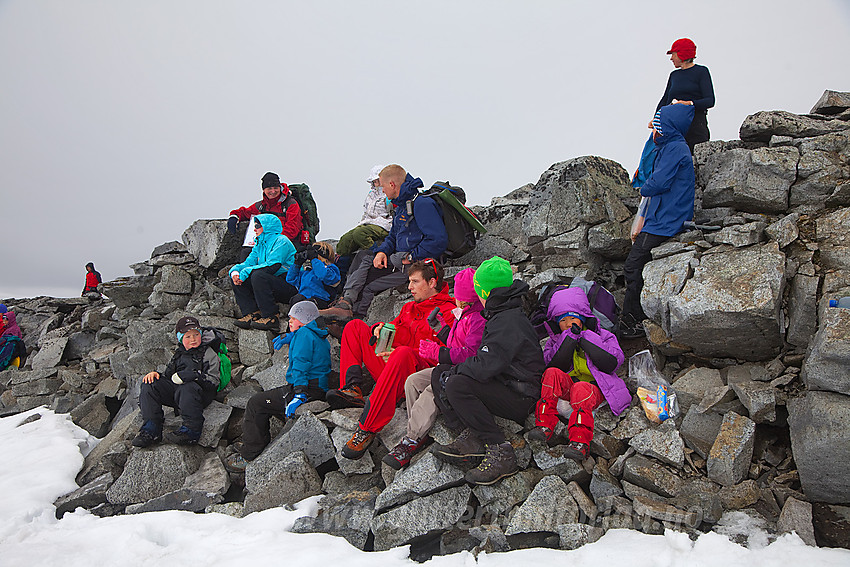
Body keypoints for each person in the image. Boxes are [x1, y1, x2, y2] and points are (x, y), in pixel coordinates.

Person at [430, 256, 544, 485]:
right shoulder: (503, 312)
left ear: (485, 292)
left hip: (522, 396)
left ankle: (500, 451)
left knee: (455, 383)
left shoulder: (507, 321)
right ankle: (471, 437)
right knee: (441, 372)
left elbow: (484, 366)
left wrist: (456, 372)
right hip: (509, 384)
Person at [327, 259, 456, 459]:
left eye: (415, 282)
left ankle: (367, 428)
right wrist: (378, 328)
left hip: (415, 379)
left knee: (403, 353)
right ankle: (352, 388)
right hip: (392, 368)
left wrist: (402, 352)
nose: (410, 287)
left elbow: (447, 355)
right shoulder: (410, 309)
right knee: (355, 326)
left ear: (432, 283)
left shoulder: (447, 312)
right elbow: (393, 328)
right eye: (409, 282)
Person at [382, 267, 486, 470]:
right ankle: (418, 433)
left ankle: (411, 439)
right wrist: (441, 330)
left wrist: (438, 353)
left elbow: (471, 353)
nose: (459, 301)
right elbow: (455, 344)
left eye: (463, 298)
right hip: (452, 366)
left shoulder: (477, 318)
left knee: (432, 388)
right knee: (412, 381)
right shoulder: (463, 314)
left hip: (465, 371)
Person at [321, 164, 448, 321]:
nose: (383, 192)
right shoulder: (402, 207)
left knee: (367, 279)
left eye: (382, 187)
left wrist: (410, 257)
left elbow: (438, 240)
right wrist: (382, 252)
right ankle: (344, 305)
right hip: (399, 260)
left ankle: (352, 316)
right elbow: (392, 237)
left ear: (392, 185)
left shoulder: (421, 204)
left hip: (414, 264)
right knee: (363, 256)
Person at [224, 301, 331, 472]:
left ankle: (250, 454)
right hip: (318, 387)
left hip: (306, 388)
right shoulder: (318, 334)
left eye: (293, 318)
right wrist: (290, 337)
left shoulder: (303, 334)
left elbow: (301, 365)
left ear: (304, 320)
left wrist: (299, 394)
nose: (289, 321)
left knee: (256, 403)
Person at [620, 102, 695, 339]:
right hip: (662, 217)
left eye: (658, 124)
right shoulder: (670, 147)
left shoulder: (674, 149)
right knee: (635, 266)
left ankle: (632, 323)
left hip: (666, 220)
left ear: (668, 127)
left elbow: (658, 183)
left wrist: (644, 187)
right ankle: (632, 320)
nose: (654, 129)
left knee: (633, 266)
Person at [527, 287, 630, 461]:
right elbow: (550, 363)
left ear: (583, 318)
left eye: (573, 318)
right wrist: (567, 341)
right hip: (570, 387)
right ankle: (544, 425)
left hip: (597, 388)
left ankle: (580, 442)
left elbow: (615, 360)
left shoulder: (603, 335)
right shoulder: (554, 341)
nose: (568, 324)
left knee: (581, 389)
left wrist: (585, 338)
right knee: (552, 373)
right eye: (563, 320)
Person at [132, 316, 223, 447]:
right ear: (180, 338)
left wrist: (193, 375)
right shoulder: (179, 353)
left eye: (196, 335)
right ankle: (151, 430)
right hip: (179, 395)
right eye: (188, 336)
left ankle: (191, 432)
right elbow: (168, 376)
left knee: (187, 386)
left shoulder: (208, 353)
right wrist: (156, 374)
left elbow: (213, 381)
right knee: (150, 384)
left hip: (199, 395)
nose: (193, 339)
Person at [230, 214, 297, 332]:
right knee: (241, 275)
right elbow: (247, 263)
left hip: (289, 285)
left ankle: (271, 317)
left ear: (267, 227)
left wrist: (246, 272)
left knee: (258, 276)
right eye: (254, 226)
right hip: (272, 283)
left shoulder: (282, 241)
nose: (255, 229)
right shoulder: (259, 244)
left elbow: (273, 265)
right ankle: (252, 313)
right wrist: (235, 272)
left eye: (258, 226)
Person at [334, 165, 394, 284]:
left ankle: (377, 254)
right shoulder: (371, 195)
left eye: (378, 180)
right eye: (374, 181)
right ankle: (340, 276)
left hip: (385, 224)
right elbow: (366, 212)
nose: (376, 183)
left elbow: (392, 214)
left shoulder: (389, 194)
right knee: (344, 240)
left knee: (359, 234)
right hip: (368, 222)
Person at [654, 38, 714, 153]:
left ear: (682, 54)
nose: (671, 58)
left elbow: (710, 100)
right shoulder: (674, 75)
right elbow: (665, 100)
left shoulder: (701, 71)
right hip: (675, 127)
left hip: (696, 125)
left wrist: (688, 104)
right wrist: (655, 120)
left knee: (695, 162)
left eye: (673, 54)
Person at [227, 171, 304, 260]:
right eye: (269, 188)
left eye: (276, 188)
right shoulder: (261, 205)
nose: (273, 191)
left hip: (286, 243)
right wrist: (234, 216)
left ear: (280, 187)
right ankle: (244, 272)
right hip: (267, 242)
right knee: (246, 252)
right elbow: (245, 212)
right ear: (264, 190)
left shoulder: (291, 204)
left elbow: (292, 229)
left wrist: (271, 241)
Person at [286, 241, 341, 310]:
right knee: (295, 299)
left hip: (321, 301)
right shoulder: (308, 272)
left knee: (307, 303)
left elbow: (322, 275)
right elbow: (291, 279)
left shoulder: (332, 269)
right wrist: (297, 263)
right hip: (303, 299)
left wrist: (314, 259)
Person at [0, 305, 25, 371]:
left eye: (5, 320)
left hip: (13, 356)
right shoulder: (8, 328)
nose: (4, 322)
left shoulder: (13, 330)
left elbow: (11, 347)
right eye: (3, 320)